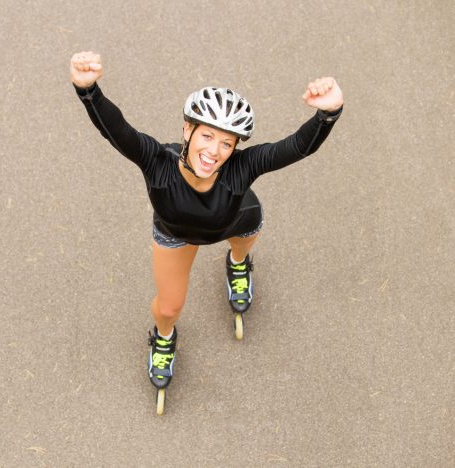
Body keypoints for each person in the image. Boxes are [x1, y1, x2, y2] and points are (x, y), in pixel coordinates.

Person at [70, 51, 343, 393]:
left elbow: (298, 147)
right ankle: (164, 338)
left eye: (227, 143)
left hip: (237, 222)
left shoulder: (243, 167)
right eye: (207, 136)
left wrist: (328, 114)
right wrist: (88, 90)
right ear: (188, 129)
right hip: (176, 235)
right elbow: (117, 130)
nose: (215, 151)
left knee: (242, 245)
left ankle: (238, 264)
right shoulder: (157, 162)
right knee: (168, 306)